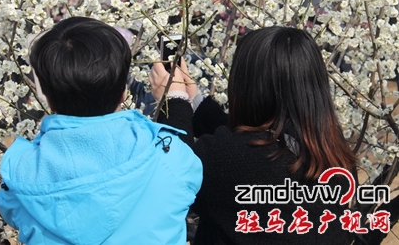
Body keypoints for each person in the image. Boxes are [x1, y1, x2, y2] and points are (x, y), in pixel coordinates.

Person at [0, 16, 202, 245]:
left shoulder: (20, 176)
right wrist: (177, 98)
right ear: (124, 92)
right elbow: (190, 174)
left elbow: (9, 206)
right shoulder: (171, 157)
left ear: (48, 98)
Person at [150, 26, 357, 244]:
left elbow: (172, 183)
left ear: (248, 87)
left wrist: (173, 103)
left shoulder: (229, 161)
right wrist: (195, 101)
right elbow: (260, 143)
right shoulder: (334, 154)